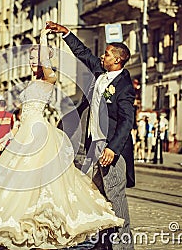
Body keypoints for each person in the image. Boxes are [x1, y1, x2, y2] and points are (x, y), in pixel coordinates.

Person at [0, 27, 123, 249]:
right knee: (17, 184)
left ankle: (45, 228)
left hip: (39, 133)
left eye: (33, 58)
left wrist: (44, 41)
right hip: (25, 132)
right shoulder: (30, 83)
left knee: (39, 184)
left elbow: (46, 76)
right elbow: (23, 114)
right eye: (28, 58)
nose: (30, 62)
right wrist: (9, 135)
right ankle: (17, 227)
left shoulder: (50, 77)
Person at [46, 21, 135, 249]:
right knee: (98, 196)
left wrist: (113, 149)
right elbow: (83, 54)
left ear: (117, 59)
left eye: (106, 54)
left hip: (110, 149)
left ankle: (125, 246)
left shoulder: (124, 86)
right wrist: (66, 33)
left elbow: (127, 121)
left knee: (115, 197)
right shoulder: (100, 72)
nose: (102, 57)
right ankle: (104, 243)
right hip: (94, 144)